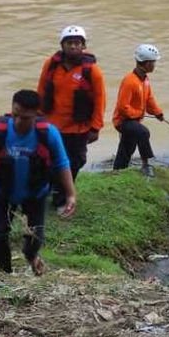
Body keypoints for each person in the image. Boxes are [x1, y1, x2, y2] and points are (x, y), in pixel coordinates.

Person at [0, 90, 76, 275]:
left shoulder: (48, 133)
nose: (17, 122)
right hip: (4, 193)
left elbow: (62, 163)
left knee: (35, 239)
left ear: (36, 115)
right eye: (15, 115)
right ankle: (4, 274)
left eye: (24, 118)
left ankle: (31, 256)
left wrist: (70, 194)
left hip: (36, 195)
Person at [37, 25, 105, 211]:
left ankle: (64, 195)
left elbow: (100, 100)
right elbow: (41, 91)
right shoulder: (50, 65)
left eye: (77, 43)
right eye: (69, 43)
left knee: (74, 161)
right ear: (62, 45)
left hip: (78, 127)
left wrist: (95, 127)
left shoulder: (92, 71)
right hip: (52, 125)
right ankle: (53, 191)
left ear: (83, 46)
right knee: (48, 160)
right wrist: (37, 116)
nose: (73, 47)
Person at [112, 44, 164, 176]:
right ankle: (146, 165)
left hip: (134, 121)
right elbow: (122, 107)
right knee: (143, 133)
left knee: (127, 147)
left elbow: (149, 99)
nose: (154, 65)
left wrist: (158, 112)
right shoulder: (130, 81)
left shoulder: (145, 79)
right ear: (146, 63)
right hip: (123, 121)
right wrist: (138, 114)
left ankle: (118, 170)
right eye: (153, 62)